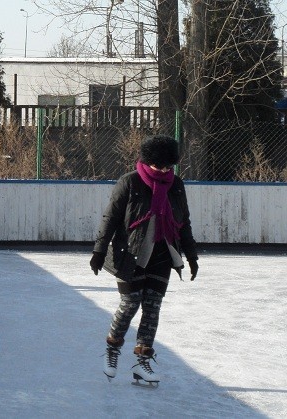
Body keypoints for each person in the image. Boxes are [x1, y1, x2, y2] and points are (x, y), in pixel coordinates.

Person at [89, 135, 199, 386]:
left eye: (168, 166)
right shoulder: (129, 182)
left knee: (152, 306)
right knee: (130, 303)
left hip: (162, 254)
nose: (164, 171)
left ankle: (142, 360)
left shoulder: (176, 185)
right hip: (129, 253)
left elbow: (184, 223)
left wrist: (191, 256)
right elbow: (111, 218)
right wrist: (99, 250)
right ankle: (112, 350)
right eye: (159, 166)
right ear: (147, 161)